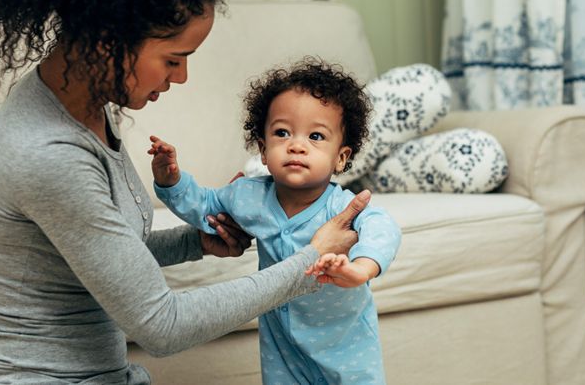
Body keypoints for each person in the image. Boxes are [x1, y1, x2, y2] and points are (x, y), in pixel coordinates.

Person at [0, 0, 372, 383]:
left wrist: (195, 242)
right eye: (174, 59)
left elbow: (99, 251)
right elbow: (162, 326)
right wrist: (310, 260)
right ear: (108, 40)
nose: (182, 76)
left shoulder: (86, 103)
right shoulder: (48, 154)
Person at [150, 59, 402, 384]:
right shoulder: (248, 196)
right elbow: (206, 208)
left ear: (341, 157)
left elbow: (382, 227)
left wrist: (362, 268)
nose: (296, 145)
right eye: (282, 133)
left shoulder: (343, 208)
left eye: (316, 136)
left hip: (344, 347)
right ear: (263, 150)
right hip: (282, 348)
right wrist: (172, 181)